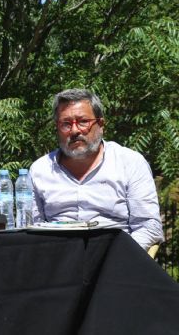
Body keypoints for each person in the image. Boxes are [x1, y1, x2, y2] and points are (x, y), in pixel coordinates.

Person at [29, 88, 163, 250]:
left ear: (100, 125)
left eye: (83, 121)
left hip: (115, 257)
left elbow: (148, 226)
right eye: (66, 124)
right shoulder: (40, 170)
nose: (75, 130)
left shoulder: (130, 163)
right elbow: (32, 228)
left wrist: (122, 258)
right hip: (59, 260)